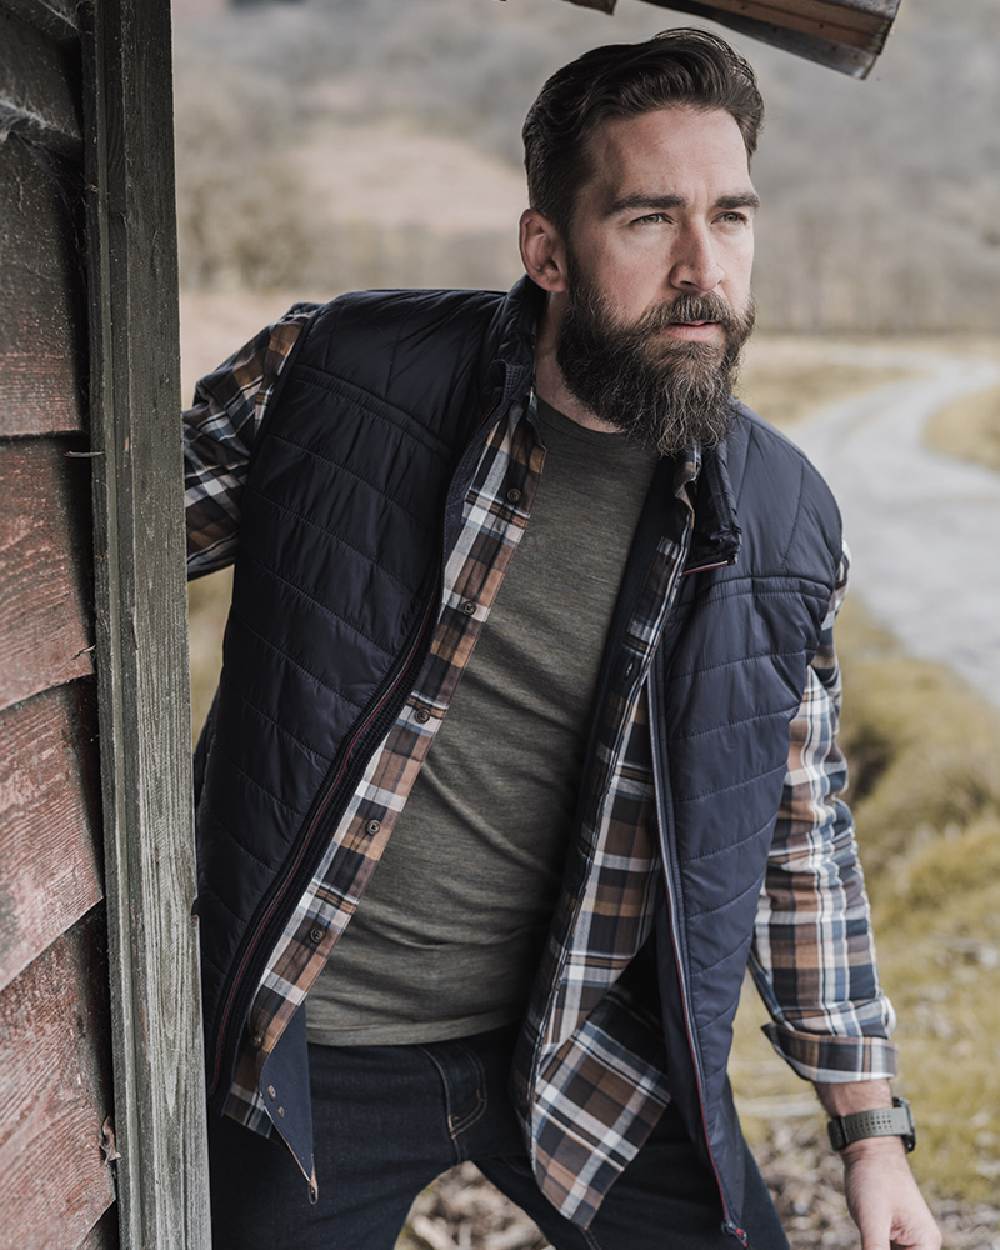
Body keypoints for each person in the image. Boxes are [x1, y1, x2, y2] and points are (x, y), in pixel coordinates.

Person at [184, 29, 941, 1250]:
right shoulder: (337, 380)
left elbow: (800, 827)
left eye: (731, 218)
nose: (704, 268)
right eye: (649, 219)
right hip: (306, 1050)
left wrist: (870, 1131)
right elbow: (88, 554)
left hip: (573, 1035)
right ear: (547, 248)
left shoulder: (780, 518)